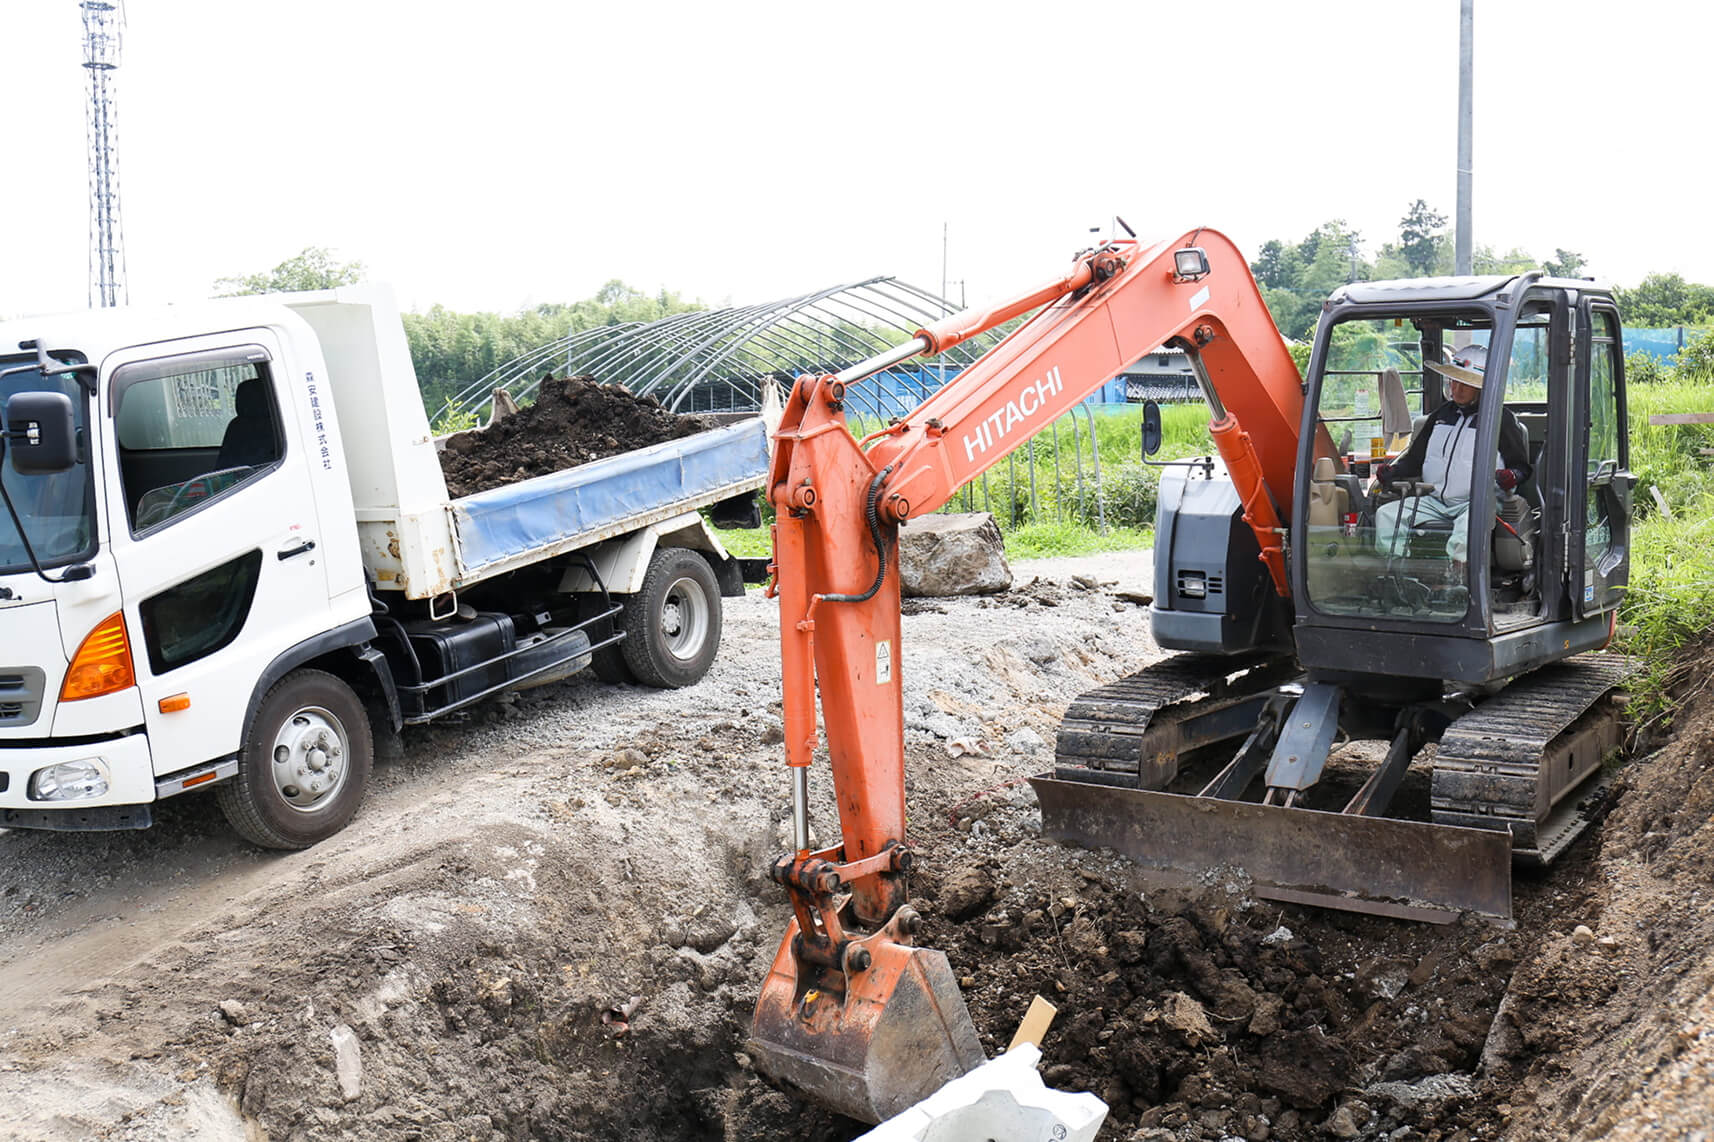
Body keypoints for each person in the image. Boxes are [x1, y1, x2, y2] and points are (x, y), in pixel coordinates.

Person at [1373, 344, 1532, 566]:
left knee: (1469, 524)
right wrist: (1394, 471)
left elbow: (1522, 468)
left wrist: (1511, 476)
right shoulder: (1439, 416)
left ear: (1480, 387)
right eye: (1453, 381)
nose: (1455, 389)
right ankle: (1399, 573)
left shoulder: (1500, 420)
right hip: (1434, 500)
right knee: (1386, 515)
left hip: (1476, 502)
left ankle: (1458, 580)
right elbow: (1414, 461)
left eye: (1464, 384)